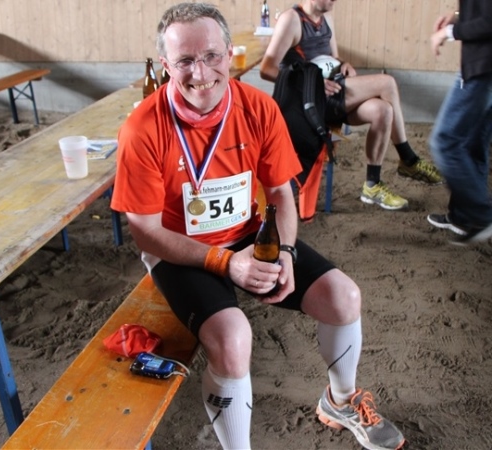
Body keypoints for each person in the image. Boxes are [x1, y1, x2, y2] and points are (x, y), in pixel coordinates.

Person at [111, 3, 405, 449]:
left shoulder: (257, 108)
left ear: (230, 54)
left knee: (344, 297)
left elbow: (282, 194)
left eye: (211, 56)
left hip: (249, 233)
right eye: (185, 61)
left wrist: (284, 251)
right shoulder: (142, 128)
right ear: (165, 65)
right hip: (179, 248)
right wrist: (226, 264)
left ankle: (340, 401)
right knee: (233, 339)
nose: (201, 73)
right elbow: (146, 232)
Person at [259, 0, 443, 211]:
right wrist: (312, 83)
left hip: (333, 95)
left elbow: (333, 58)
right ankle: (408, 158)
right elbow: (267, 69)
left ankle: (372, 185)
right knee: (387, 83)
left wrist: (343, 64)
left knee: (383, 110)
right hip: (310, 104)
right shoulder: (291, 20)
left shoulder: (327, 19)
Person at [427, 0, 492, 245]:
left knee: (445, 142)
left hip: (483, 67)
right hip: (482, 65)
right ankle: (464, 217)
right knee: (473, 144)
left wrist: (449, 32)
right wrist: (457, 15)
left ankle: (482, 215)